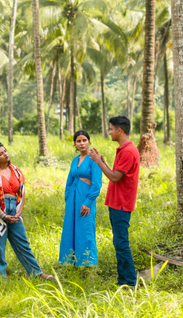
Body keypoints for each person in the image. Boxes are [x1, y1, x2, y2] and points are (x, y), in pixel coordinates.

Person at [0, 142, 53, 280]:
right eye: (1, 154)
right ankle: (1, 278)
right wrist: (2, 215)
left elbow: (22, 193)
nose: (5, 154)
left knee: (23, 242)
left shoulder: (17, 171)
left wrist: (18, 212)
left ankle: (37, 273)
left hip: (14, 208)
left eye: (5, 151)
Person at [88, 116, 140, 287]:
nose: (109, 132)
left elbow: (115, 177)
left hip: (122, 203)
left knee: (121, 243)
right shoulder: (124, 149)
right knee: (119, 242)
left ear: (119, 130)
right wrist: (102, 160)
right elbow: (115, 172)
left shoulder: (128, 151)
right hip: (117, 202)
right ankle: (123, 281)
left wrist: (97, 162)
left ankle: (130, 282)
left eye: (111, 129)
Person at [59, 130, 102, 267]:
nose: (82, 143)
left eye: (84, 140)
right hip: (73, 199)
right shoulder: (74, 160)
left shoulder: (94, 159)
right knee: (70, 229)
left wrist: (88, 202)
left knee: (85, 229)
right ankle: (69, 261)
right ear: (75, 144)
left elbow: (97, 184)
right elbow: (69, 181)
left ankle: (87, 263)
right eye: (78, 141)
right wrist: (68, 199)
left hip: (85, 199)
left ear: (89, 142)